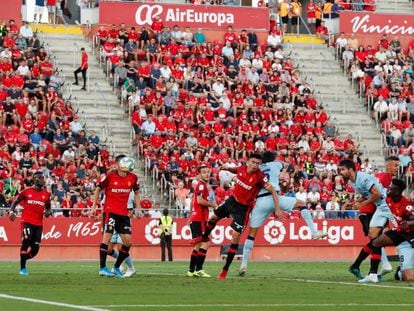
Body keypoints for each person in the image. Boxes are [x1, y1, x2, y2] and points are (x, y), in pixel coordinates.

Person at [239, 151, 327, 276]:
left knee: (252, 234)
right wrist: (283, 174)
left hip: (261, 201)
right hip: (276, 198)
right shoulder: (275, 164)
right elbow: (290, 166)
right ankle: (313, 232)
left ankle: (243, 265)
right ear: (273, 158)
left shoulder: (257, 168)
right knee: (301, 204)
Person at [201, 153, 284, 279]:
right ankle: (204, 237)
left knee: (236, 236)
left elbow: (273, 191)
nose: (255, 165)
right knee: (212, 218)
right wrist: (226, 168)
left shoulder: (260, 176)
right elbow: (235, 170)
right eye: (253, 162)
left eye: (257, 163)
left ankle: (225, 270)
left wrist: (277, 209)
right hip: (232, 200)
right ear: (248, 162)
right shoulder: (242, 168)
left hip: (243, 209)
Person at [339, 159, 394, 283]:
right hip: (380, 207)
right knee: (374, 237)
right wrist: (353, 202)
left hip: (387, 206)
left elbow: (377, 194)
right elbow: (367, 194)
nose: (340, 172)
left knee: (399, 234)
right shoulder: (354, 182)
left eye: (342, 169)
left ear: (351, 169)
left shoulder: (363, 178)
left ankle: (367, 269)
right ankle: (373, 273)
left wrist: (362, 204)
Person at [91, 155, 143, 278]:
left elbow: (136, 192)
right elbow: (98, 188)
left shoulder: (133, 178)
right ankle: (102, 268)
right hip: (110, 212)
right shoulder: (110, 177)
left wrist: (138, 208)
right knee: (106, 239)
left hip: (123, 214)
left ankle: (116, 267)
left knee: (128, 242)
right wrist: (94, 205)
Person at [9, 172, 52, 275]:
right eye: (40, 178)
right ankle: (23, 268)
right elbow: (15, 201)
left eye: (43, 178)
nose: (42, 180)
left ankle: (22, 258)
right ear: (35, 179)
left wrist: (48, 212)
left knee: (35, 250)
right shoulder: (26, 192)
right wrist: (11, 212)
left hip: (38, 224)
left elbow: (48, 207)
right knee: (26, 242)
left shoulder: (46, 194)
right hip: (27, 222)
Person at [372, 179, 414, 281]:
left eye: (391, 187)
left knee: (408, 277)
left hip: (410, 236)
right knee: (375, 242)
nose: (389, 188)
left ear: (397, 191)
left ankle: (400, 272)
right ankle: (374, 273)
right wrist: (386, 226)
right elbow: (385, 214)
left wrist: (409, 223)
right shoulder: (388, 200)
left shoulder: (406, 205)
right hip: (400, 234)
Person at [187, 165, 218, 278]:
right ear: (199, 174)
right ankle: (199, 269)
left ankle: (191, 270)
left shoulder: (200, 186)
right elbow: (200, 201)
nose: (206, 174)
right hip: (200, 218)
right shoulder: (201, 186)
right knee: (206, 242)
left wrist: (191, 214)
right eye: (204, 172)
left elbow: (194, 201)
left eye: (208, 172)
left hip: (197, 217)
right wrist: (213, 205)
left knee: (198, 244)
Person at [106, 190, 136, 278]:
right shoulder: (111, 191)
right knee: (108, 249)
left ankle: (131, 268)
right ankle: (120, 263)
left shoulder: (128, 193)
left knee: (121, 247)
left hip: (122, 222)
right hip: (112, 221)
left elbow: (130, 212)